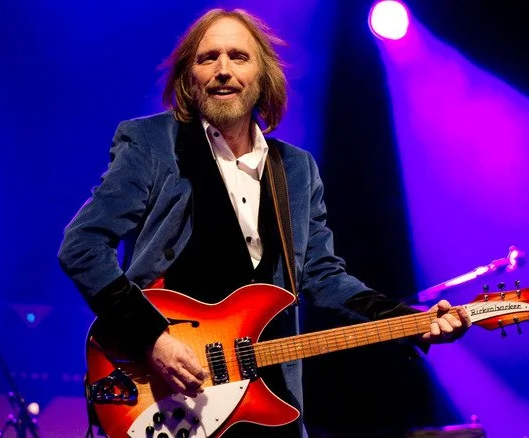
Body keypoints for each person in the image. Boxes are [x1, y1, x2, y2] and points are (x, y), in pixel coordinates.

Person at [58, 8, 471, 438]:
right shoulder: (152, 144)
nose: (222, 70)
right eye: (207, 58)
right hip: (165, 394)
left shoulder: (294, 169)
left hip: (267, 401)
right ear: (188, 77)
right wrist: (152, 338)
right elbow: (82, 246)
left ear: (262, 77)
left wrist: (407, 319)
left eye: (238, 57)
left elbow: (322, 275)